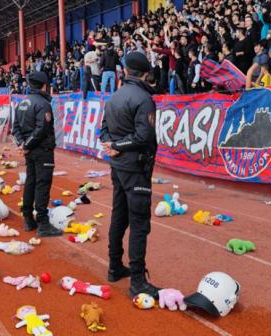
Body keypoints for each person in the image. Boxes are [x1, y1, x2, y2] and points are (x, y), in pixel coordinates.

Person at [99, 52, 160, 299]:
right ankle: (137, 281)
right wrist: (118, 146)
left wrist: (111, 146)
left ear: (125, 72)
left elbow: (103, 131)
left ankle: (114, 266)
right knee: (138, 223)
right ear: (145, 73)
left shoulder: (114, 97)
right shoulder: (144, 99)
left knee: (119, 216)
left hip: (118, 167)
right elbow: (143, 136)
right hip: (135, 168)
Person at [11, 71, 62, 237]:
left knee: (31, 182)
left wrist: (22, 145)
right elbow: (41, 129)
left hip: (30, 151)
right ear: (44, 85)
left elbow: (15, 128)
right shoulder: (43, 104)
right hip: (42, 150)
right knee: (42, 184)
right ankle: (43, 222)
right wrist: (25, 145)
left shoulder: (22, 103)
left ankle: (27, 218)